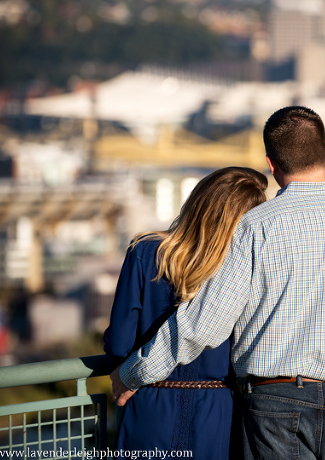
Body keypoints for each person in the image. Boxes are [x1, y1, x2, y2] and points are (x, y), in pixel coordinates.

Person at [112, 106, 325, 460]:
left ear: (271, 163)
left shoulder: (255, 227)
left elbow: (204, 325)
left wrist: (134, 373)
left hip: (272, 403)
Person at [104, 166, 268, 459]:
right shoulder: (243, 268)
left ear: (198, 201)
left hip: (148, 398)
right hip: (218, 408)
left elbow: (119, 342)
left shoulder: (145, 251)